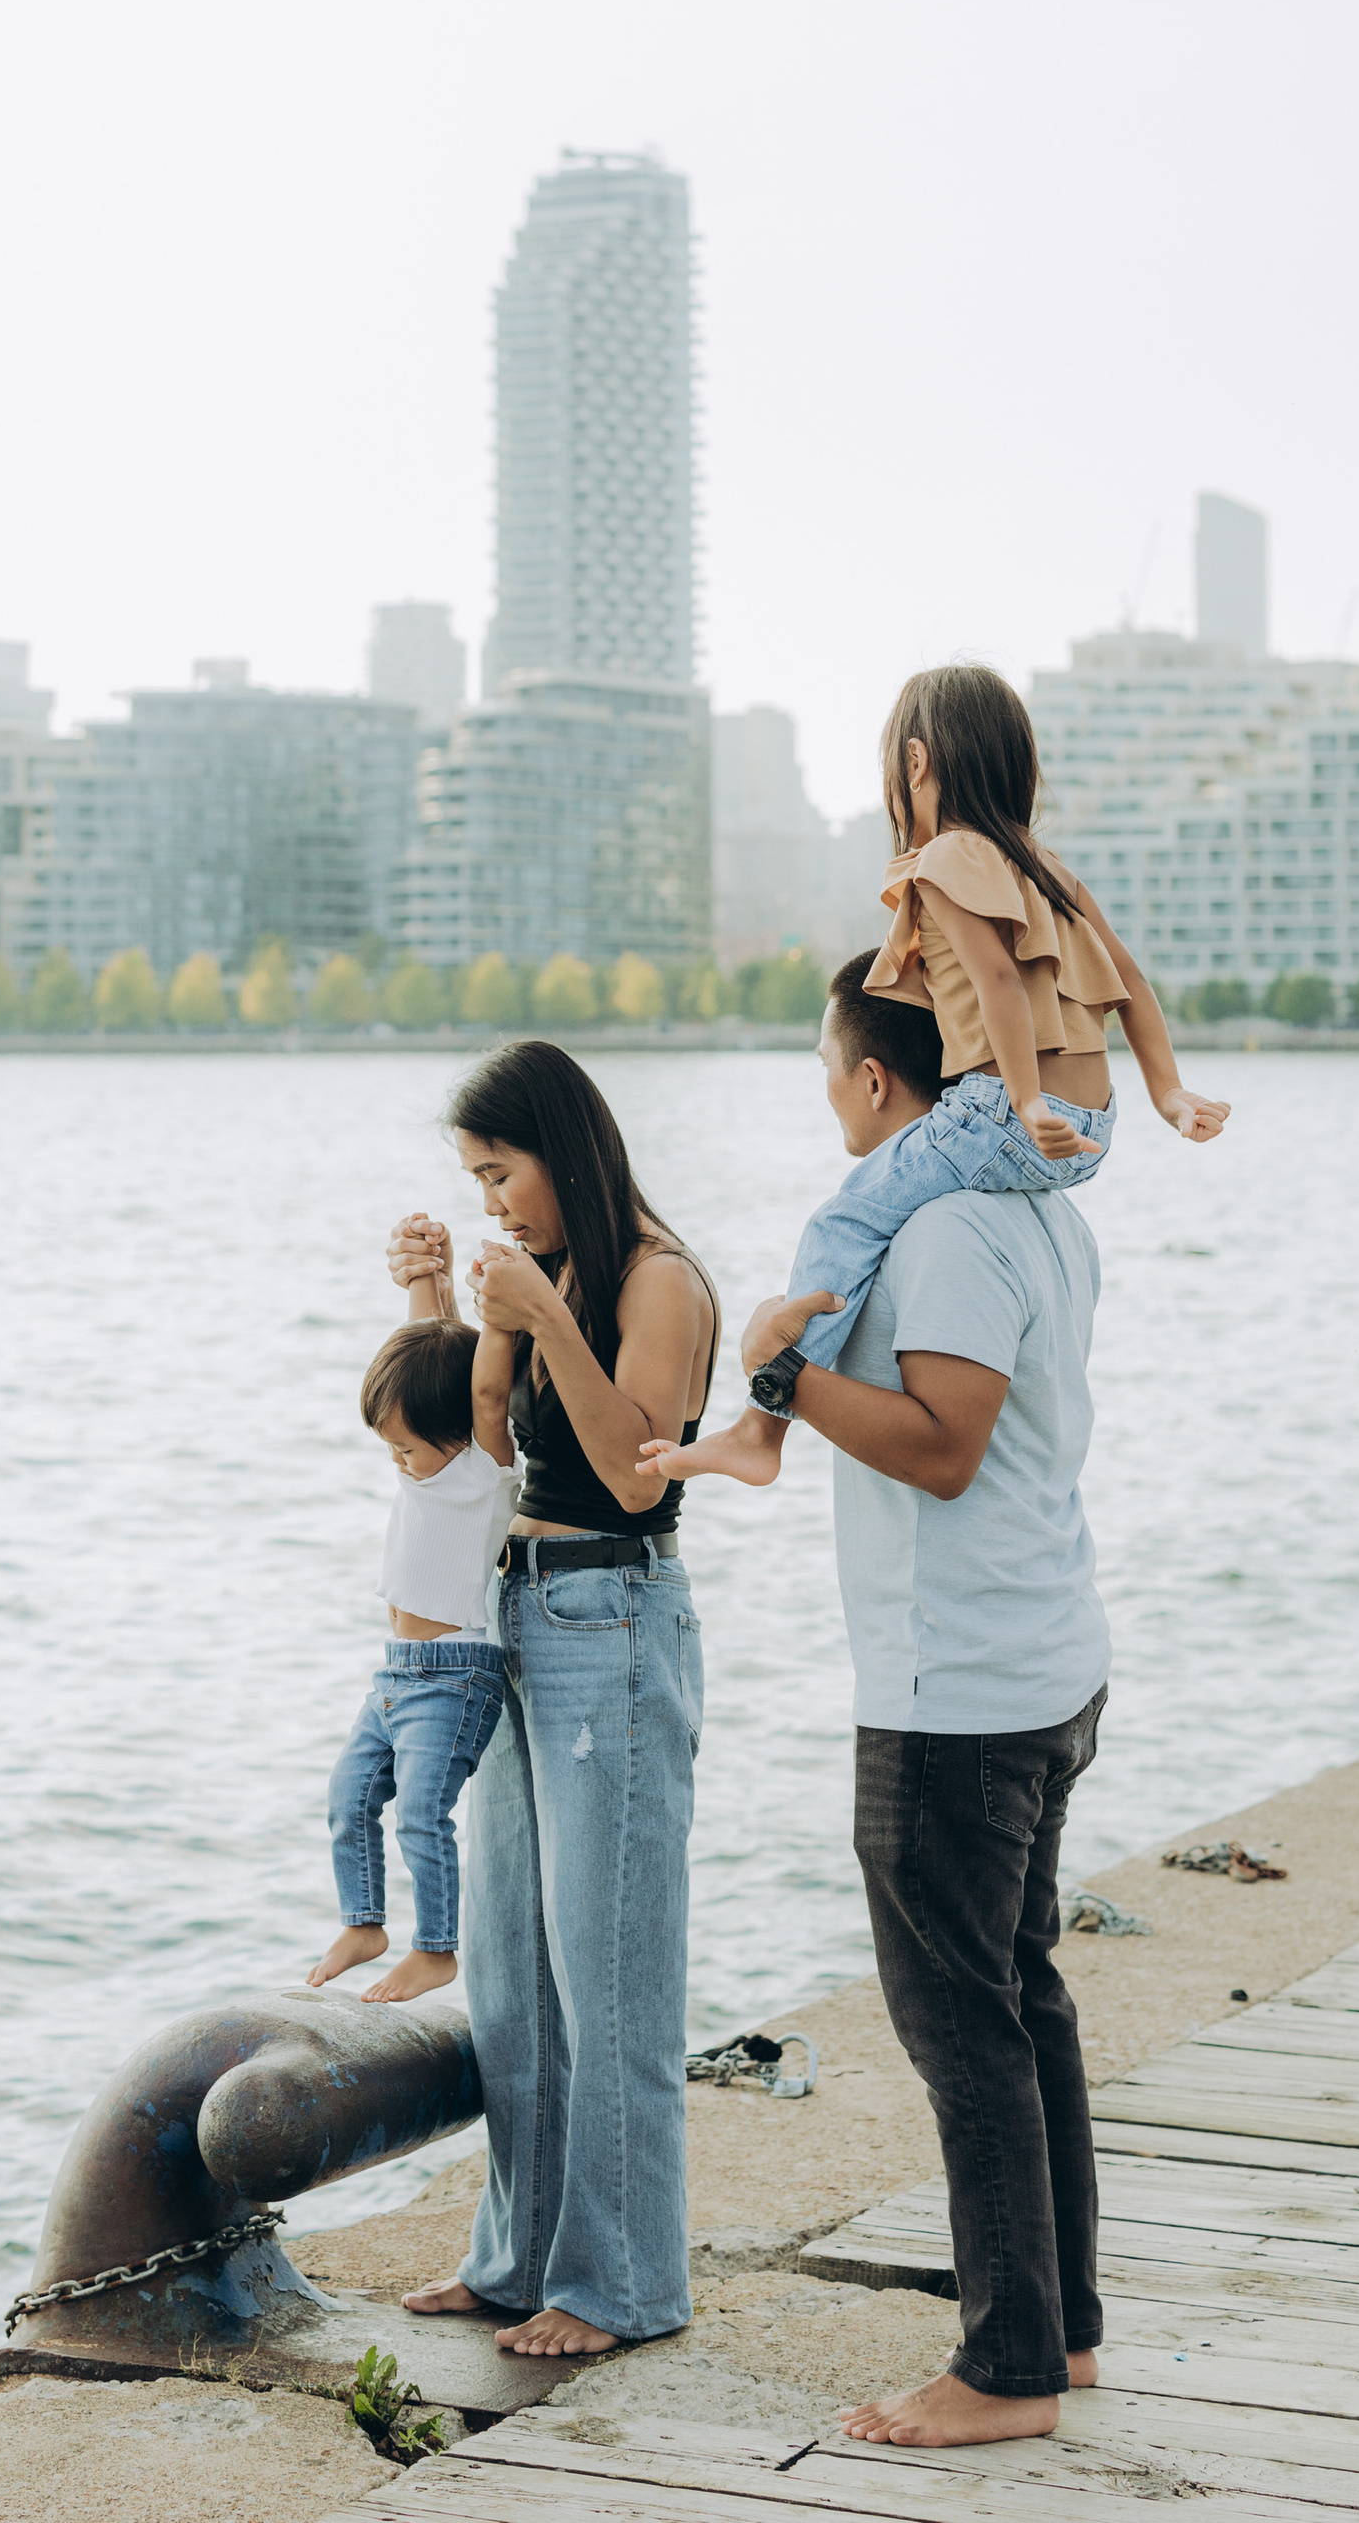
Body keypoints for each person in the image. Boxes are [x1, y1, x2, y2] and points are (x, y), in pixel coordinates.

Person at [640, 955, 1113, 2450]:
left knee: (965, 2028)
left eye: (827, 1074)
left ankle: (1007, 2371)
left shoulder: (958, 1227)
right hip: (1035, 1656)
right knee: (1021, 2001)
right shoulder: (1037, 1206)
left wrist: (780, 1374)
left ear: (872, 1082)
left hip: (958, 1687)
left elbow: (943, 1444)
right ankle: (1060, 2331)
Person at [672, 660, 1223, 1489]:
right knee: (875, 1209)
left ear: (917, 764)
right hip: (1092, 1132)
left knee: (841, 1223)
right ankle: (763, 1430)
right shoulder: (1046, 868)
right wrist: (1167, 1095)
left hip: (1006, 1111)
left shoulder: (947, 861)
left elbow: (999, 981)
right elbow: (1132, 984)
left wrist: (1025, 1096)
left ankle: (760, 1429)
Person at [392, 1041, 720, 2361]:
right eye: (474, 1182)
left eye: (501, 1172)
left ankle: (623, 2285)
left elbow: (638, 1471)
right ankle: (522, 2258)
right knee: (519, 1973)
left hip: (616, 1615)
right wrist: (439, 1307)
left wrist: (539, 1305)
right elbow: (481, 1453)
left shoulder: (660, 1280)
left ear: (560, 1146)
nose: (492, 1203)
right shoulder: (553, 1276)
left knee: (611, 1971)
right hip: (523, 1613)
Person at [306, 1312, 516, 2006]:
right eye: (389, 1448)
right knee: (349, 1795)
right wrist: (425, 1273)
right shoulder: (422, 1472)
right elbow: (427, 1347)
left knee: (422, 1812)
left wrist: (502, 1315)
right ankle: (364, 1924)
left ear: (456, 1433)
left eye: (406, 1447)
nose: (398, 1461)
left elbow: (484, 1393)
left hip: (456, 1677)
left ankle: (435, 1950)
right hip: (394, 1674)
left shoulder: (482, 1471)